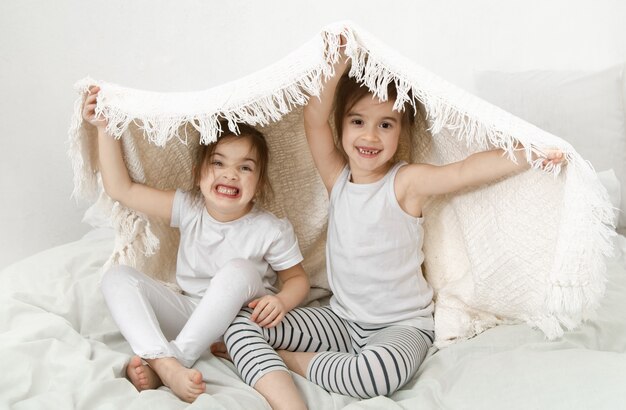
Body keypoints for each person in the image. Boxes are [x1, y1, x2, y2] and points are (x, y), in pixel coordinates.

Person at [219, 47, 565, 410]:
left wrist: (529, 152)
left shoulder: (404, 183)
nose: (370, 136)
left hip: (400, 327)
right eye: (357, 122)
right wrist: (337, 62)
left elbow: (462, 172)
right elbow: (313, 119)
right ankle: (276, 370)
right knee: (240, 321)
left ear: (401, 132)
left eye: (385, 124)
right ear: (340, 126)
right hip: (341, 319)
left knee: (375, 376)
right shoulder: (337, 179)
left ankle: (288, 361)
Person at [82, 86, 310, 403]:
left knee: (239, 271)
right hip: (191, 314)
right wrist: (105, 128)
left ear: (258, 186)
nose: (230, 175)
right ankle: (164, 361)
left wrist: (283, 301)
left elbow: (298, 280)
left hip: (240, 322)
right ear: (198, 174)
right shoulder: (190, 208)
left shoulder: (269, 229)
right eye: (218, 163)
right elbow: (122, 189)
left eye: (245, 168)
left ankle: (175, 361)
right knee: (115, 277)